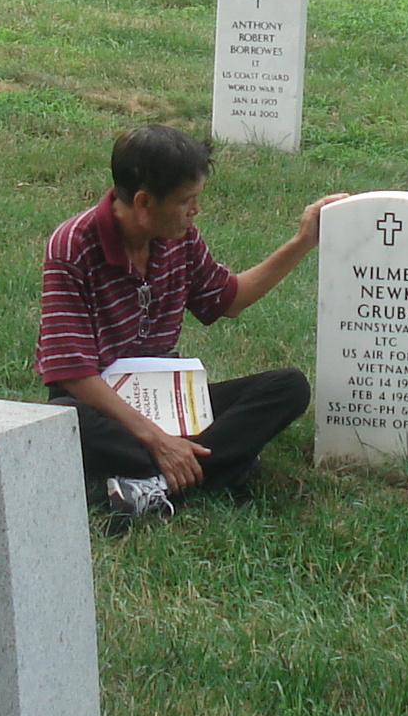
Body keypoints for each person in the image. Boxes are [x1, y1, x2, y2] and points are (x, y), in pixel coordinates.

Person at [35, 124, 346, 526]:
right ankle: (218, 463)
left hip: (169, 400)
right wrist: (156, 439)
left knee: (287, 387)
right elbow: (74, 373)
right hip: (101, 405)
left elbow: (228, 299)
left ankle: (154, 486)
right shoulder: (72, 247)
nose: (195, 211)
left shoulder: (179, 237)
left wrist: (303, 241)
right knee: (63, 420)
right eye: (187, 200)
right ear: (145, 202)